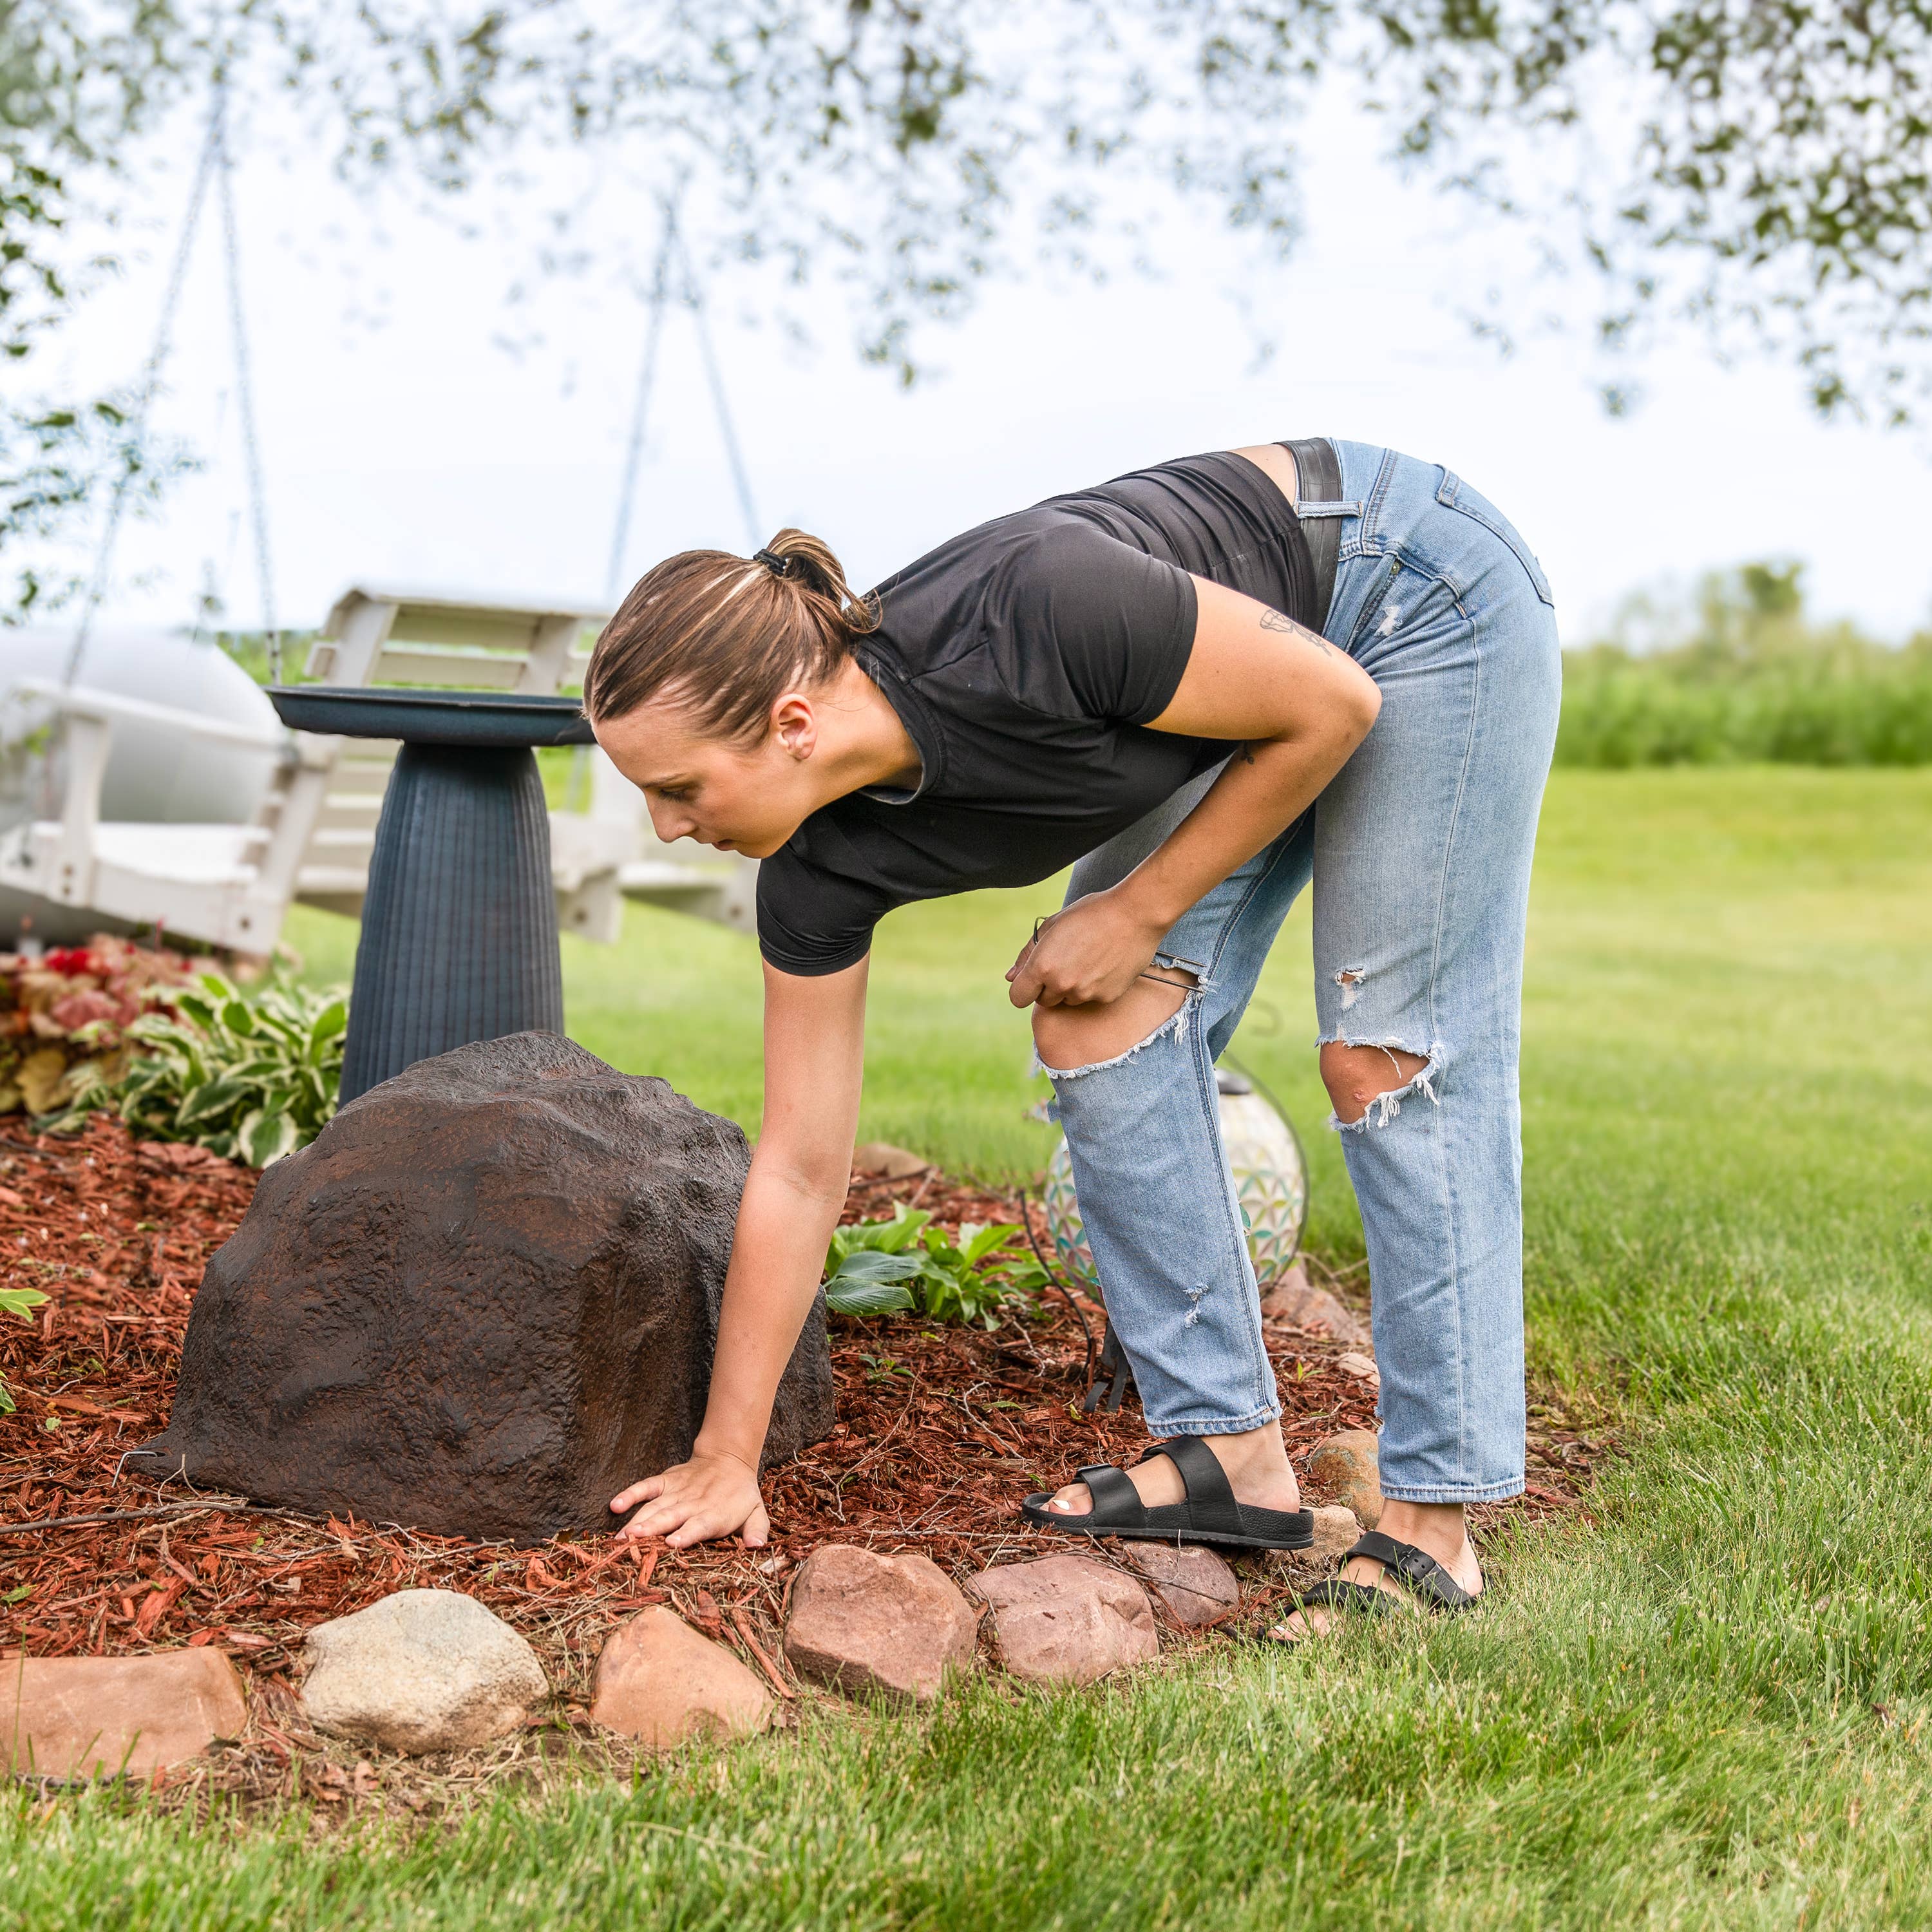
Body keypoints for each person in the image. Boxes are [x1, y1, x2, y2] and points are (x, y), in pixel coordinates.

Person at [587, 438, 1560, 1638]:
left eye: (679, 789)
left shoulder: (1028, 612)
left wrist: (1136, 909)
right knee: (1096, 1016)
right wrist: (727, 1455)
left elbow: (1329, 705)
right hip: (1272, 688)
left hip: (1409, 588)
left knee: (1384, 1054)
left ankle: (1433, 1533)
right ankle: (1230, 1456)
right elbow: (798, 1162)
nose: (666, 828)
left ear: (792, 721)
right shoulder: (814, 874)